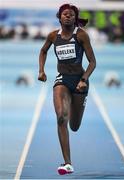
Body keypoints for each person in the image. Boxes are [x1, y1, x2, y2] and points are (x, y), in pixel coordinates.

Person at [38, 4, 96, 175]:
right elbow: (43, 51)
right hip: (62, 80)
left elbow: (92, 62)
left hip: (79, 82)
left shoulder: (81, 35)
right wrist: (41, 70)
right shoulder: (52, 36)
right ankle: (67, 163)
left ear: (75, 18)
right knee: (61, 118)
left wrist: (84, 79)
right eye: (65, 14)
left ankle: (71, 103)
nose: (68, 17)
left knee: (74, 126)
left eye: (71, 15)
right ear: (59, 17)